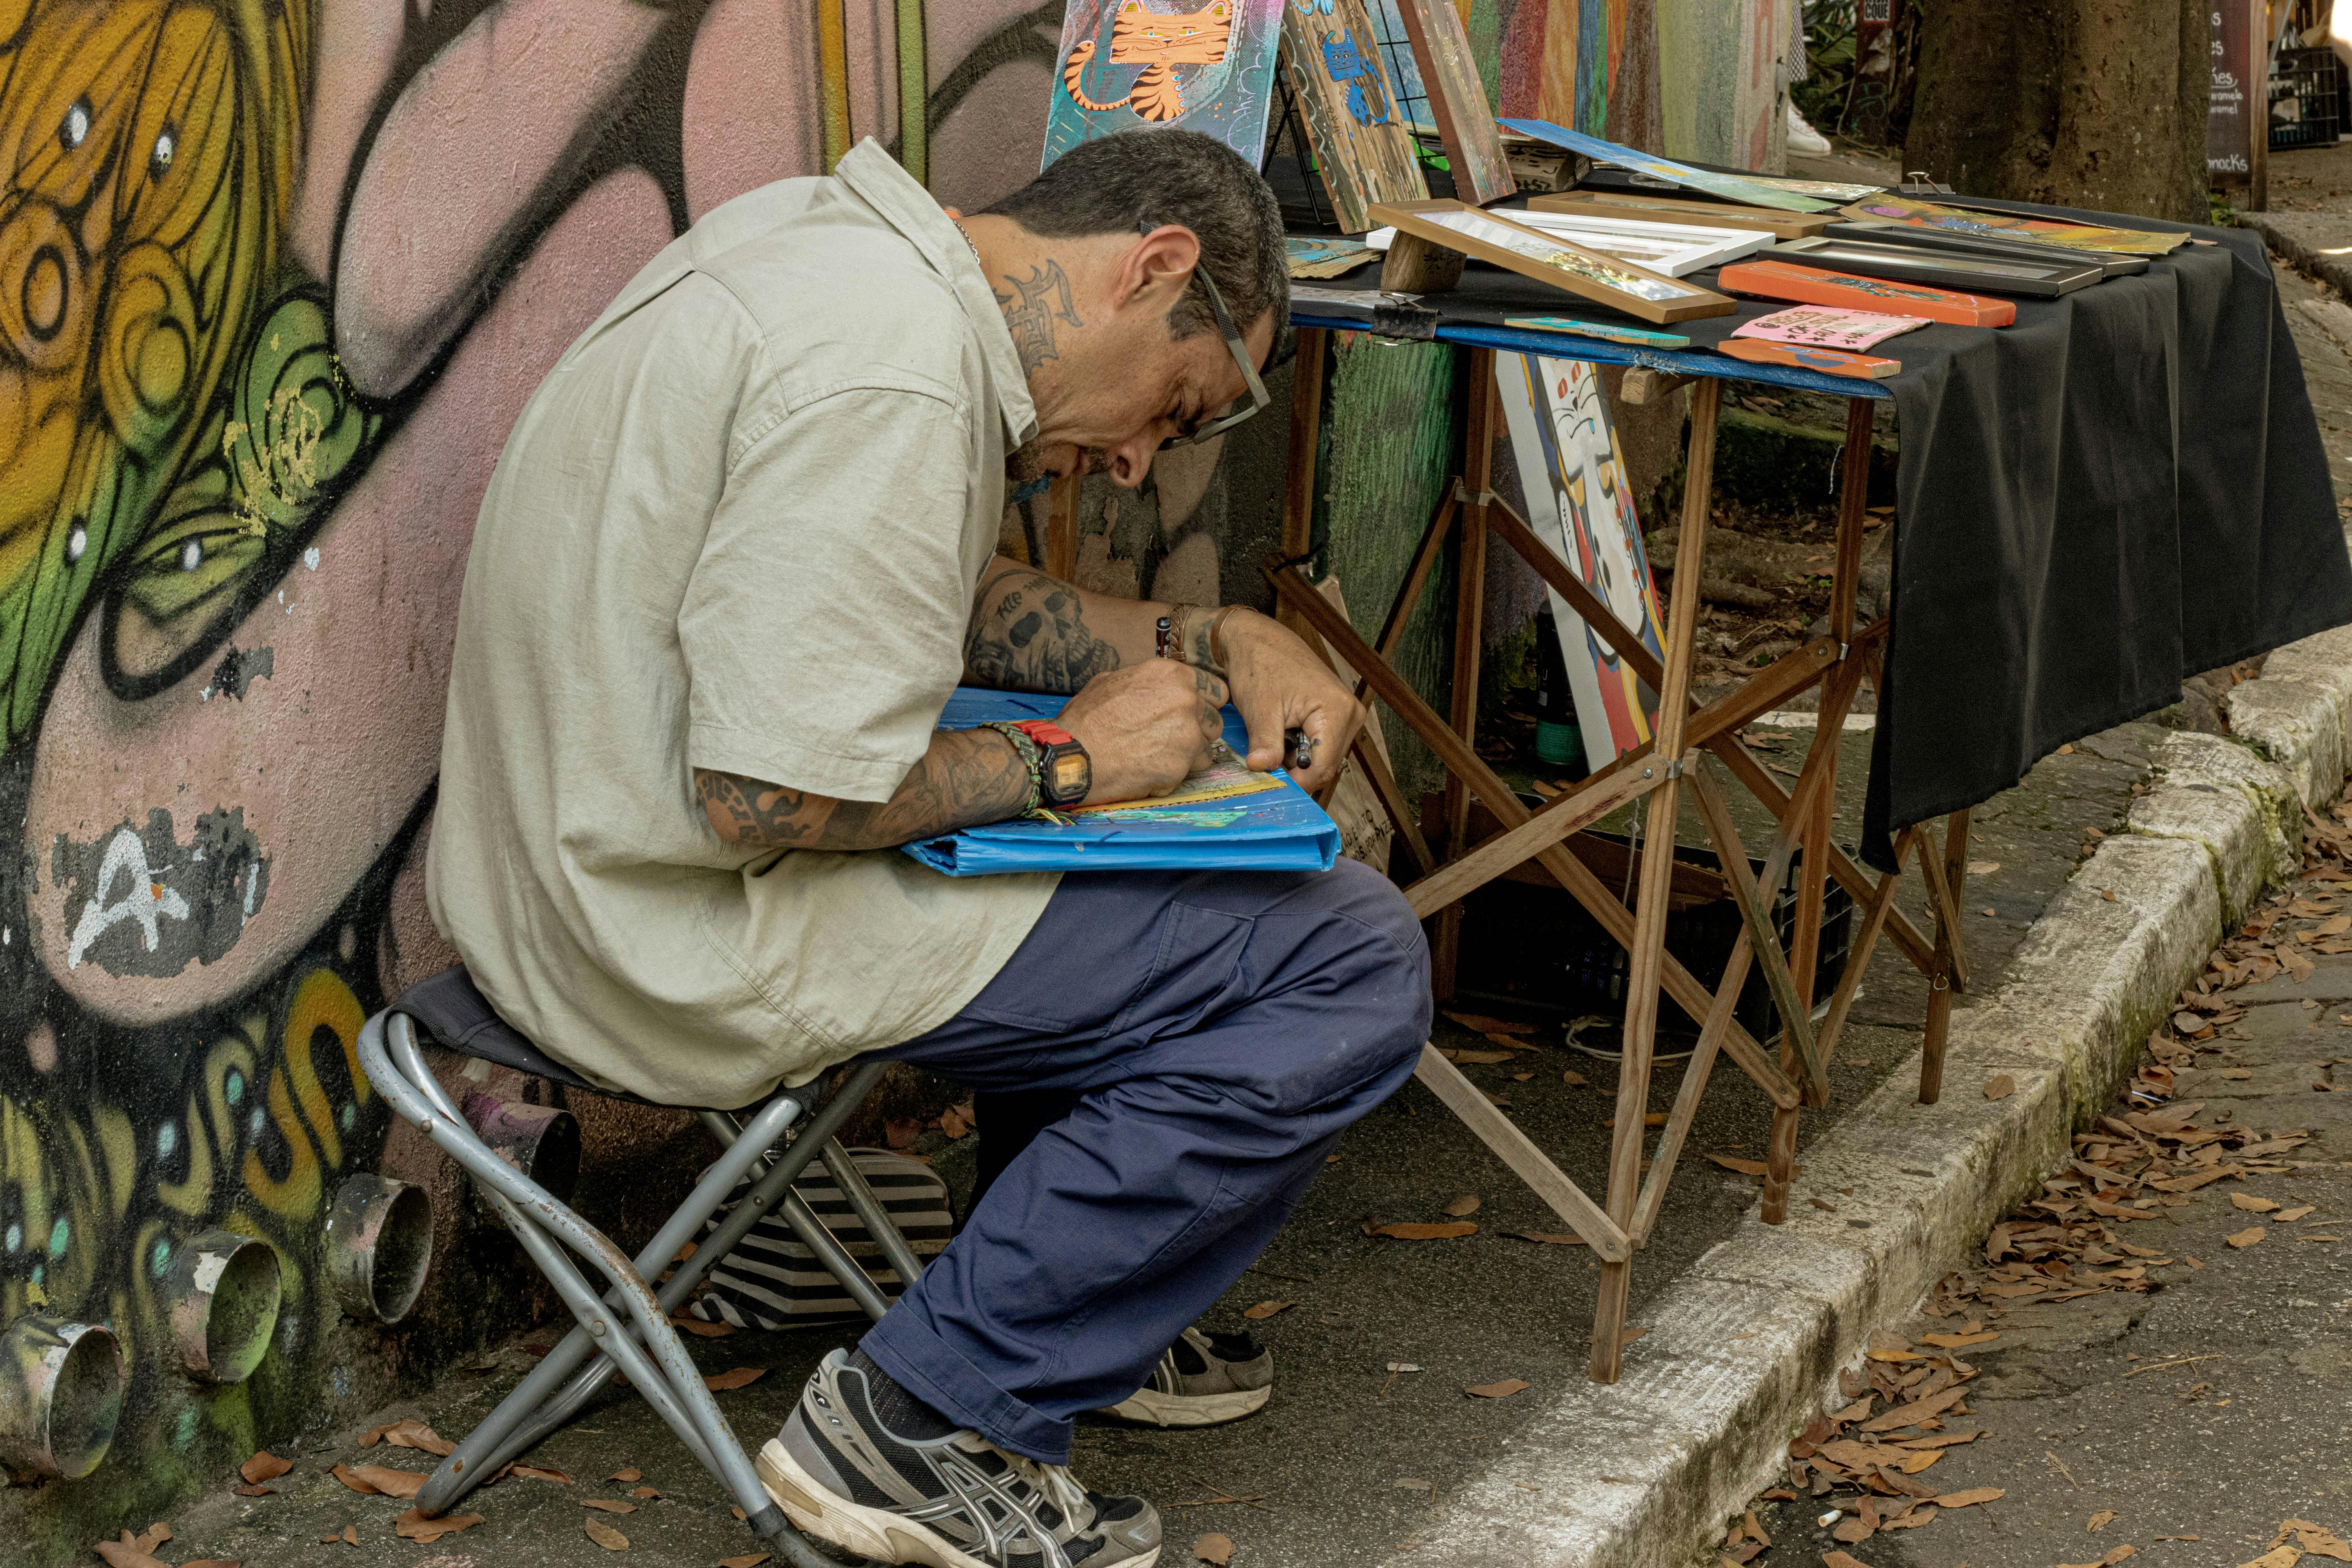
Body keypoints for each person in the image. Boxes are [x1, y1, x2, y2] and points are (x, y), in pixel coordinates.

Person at [428, 127, 1430, 1568]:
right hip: (662, 935)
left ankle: (1070, 1298)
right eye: (1179, 399)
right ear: (1154, 268)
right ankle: (927, 1413)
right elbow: (766, 801)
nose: (1146, 459)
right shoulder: (894, 374)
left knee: (1170, 862)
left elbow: (928, 606)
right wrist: (1073, 762)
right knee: (1344, 957)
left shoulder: (832, 255)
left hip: (553, 885)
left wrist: (1213, 636)